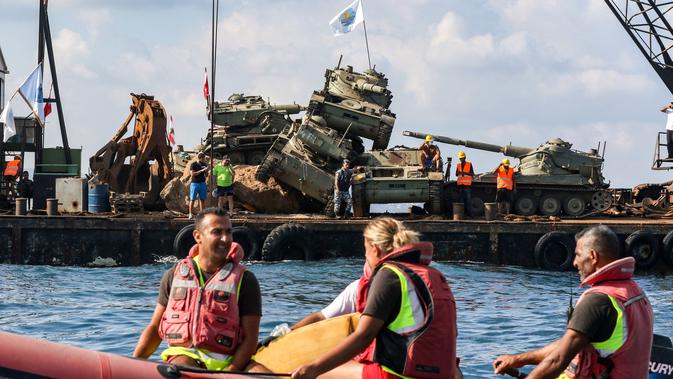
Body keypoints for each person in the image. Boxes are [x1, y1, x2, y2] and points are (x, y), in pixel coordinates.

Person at [291, 217, 458, 379]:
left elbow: (364, 336)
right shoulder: (433, 275)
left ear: (374, 249)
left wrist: (313, 368)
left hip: (395, 375)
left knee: (317, 373)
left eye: (365, 251)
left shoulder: (388, 274)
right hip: (444, 375)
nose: (366, 257)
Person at [493, 225, 654, 379]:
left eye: (577, 254)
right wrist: (520, 359)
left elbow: (557, 360)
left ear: (593, 256)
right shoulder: (634, 292)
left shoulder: (598, 300)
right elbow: (570, 344)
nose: (574, 262)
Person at [133, 208, 266, 372]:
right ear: (198, 236)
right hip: (186, 354)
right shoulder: (173, 276)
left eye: (229, 232)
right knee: (183, 366)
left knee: (263, 374)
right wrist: (133, 364)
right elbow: (155, 328)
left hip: (232, 360)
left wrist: (231, 371)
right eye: (217, 232)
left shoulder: (246, 280)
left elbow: (250, 339)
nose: (225, 239)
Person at [189, 152, 209, 219]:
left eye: (204, 159)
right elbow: (193, 174)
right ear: (200, 158)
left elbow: (206, 175)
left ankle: (202, 214)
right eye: (203, 159)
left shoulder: (204, 164)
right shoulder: (193, 164)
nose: (204, 160)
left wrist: (206, 171)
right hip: (195, 183)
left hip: (202, 183)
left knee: (202, 199)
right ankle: (190, 214)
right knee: (192, 199)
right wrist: (202, 170)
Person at [455, 151, 474, 217]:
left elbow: (472, 174)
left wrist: (464, 173)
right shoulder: (458, 165)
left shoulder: (469, 164)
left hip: (467, 186)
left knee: (468, 200)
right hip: (460, 185)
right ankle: (462, 214)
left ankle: (470, 214)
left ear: (465, 158)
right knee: (461, 200)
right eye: (460, 158)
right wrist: (459, 173)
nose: (461, 159)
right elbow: (456, 174)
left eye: (462, 158)